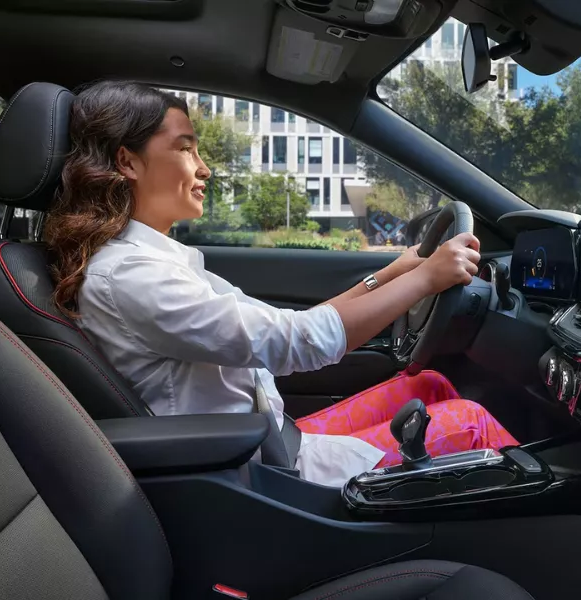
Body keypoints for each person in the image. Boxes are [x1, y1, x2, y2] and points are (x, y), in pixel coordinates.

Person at [44, 81, 518, 487]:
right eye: (186, 147)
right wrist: (426, 281)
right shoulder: (132, 275)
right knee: (470, 423)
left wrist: (397, 273)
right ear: (128, 162)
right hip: (258, 472)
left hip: (273, 437)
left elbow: (290, 324)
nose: (203, 166)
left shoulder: (155, 261)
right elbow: (298, 341)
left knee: (430, 384)